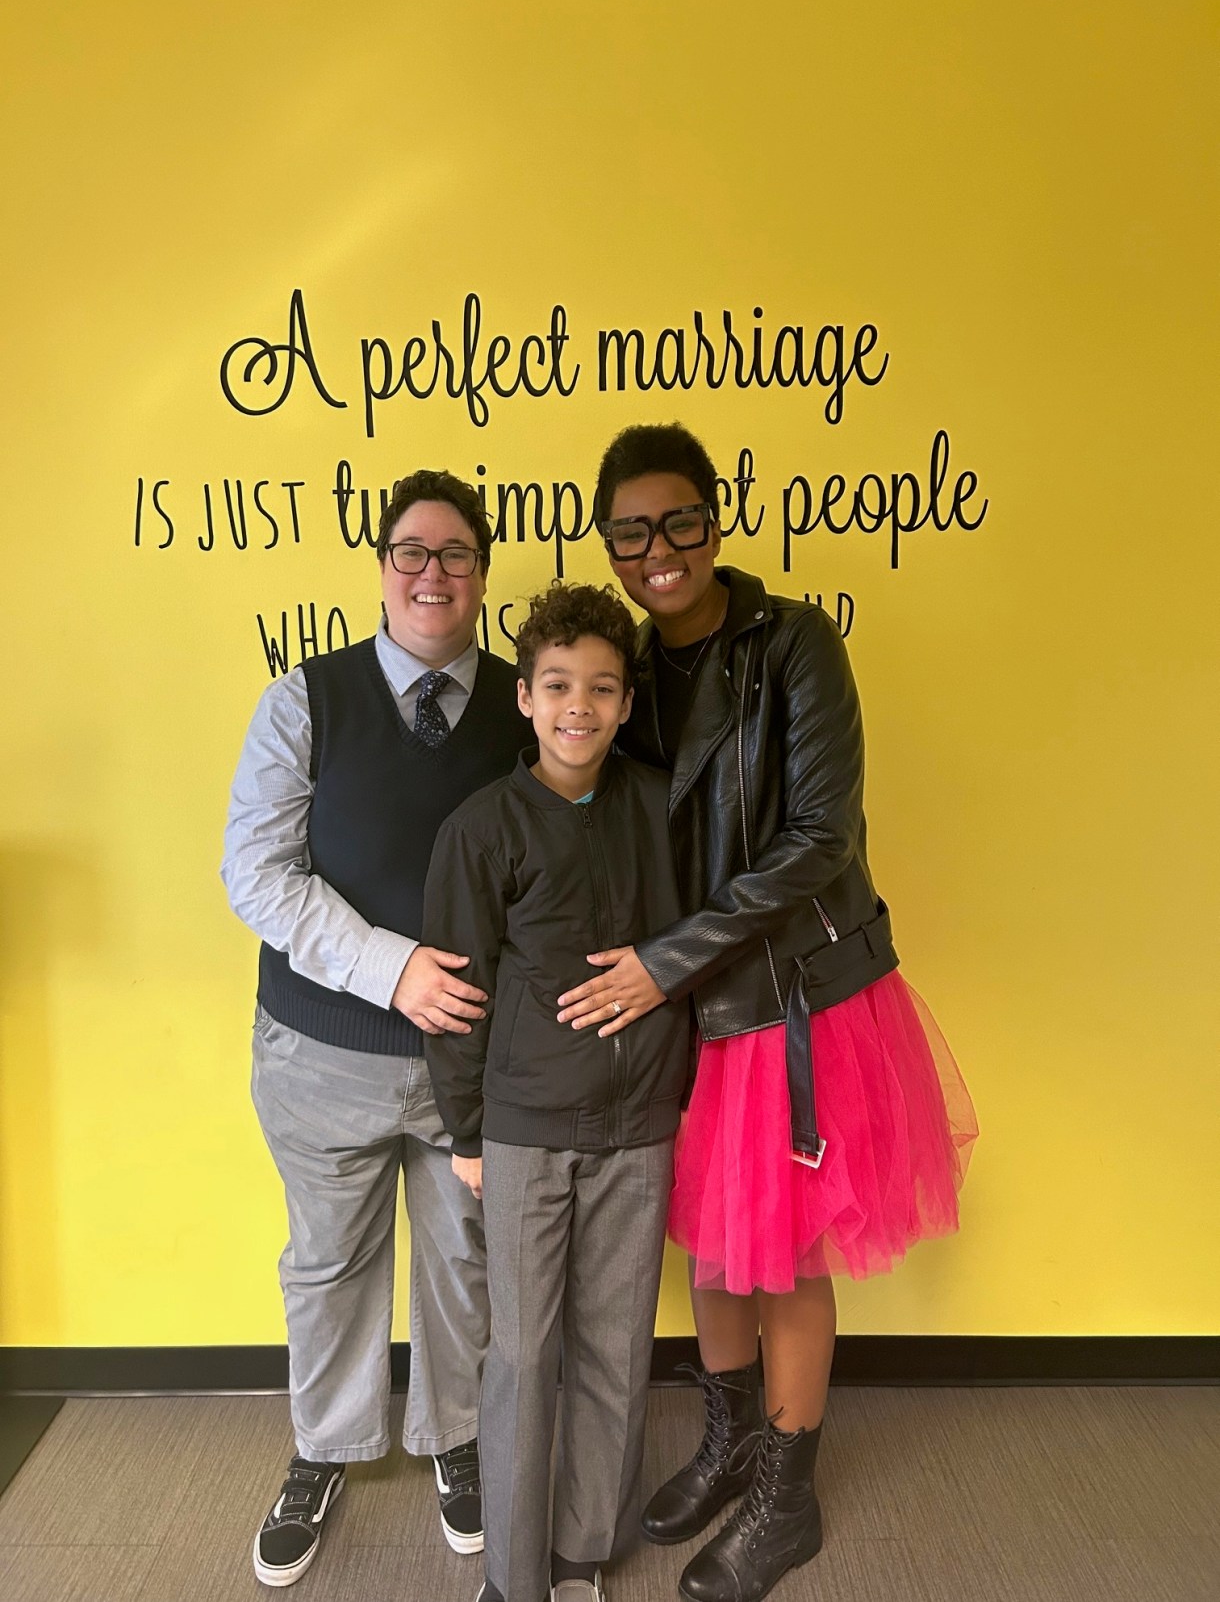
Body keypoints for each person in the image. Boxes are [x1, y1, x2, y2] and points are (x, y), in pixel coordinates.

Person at [557, 424, 978, 1602]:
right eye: (631, 530)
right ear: (611, 541)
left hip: (798, 993)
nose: (658, 550)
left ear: (713, 518)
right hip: (690, 1005)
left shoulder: (792, 642)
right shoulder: (625, 671)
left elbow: (818, 838)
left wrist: (660, 963)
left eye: (678, 520)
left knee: (783, 1252)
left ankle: (785, 1495)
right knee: (710, 1243)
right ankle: (730, 1441)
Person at [221, 469, 533, 1588]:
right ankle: (327, 1446)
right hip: (319, 1052)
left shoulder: (528, 703)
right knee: (328, 1261)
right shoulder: (302, 700)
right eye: (411, 550)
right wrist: (390, 967)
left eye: (455, 552)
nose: (432, 572)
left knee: (463, 1263)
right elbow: (255, 873)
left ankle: (452, 1437)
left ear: (484, 572)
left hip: (475, 1064)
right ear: (381, 568)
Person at [423, 582, 692, 1602]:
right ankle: (513, 1573)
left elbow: (695, 942)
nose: (578, 705)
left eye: (600, 687)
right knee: (524, 1352)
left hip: (638, 1125)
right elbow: (454, 993)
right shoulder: (481, 828)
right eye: (556, 685)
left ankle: (581, 1550)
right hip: (525, 1128)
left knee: (616, 1347)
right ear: (525, 699)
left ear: (625, 703)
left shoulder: (662, 805)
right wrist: (467, 1130)